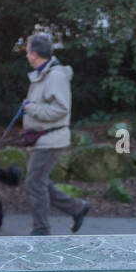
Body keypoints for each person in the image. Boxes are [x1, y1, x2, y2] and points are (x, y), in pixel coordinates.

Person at [21, 33, 90, 236]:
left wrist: (31, 108)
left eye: (27, 52)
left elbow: (61, 109)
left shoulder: (55, 76)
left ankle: (41, 229)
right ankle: (77, 208)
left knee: (34, 182)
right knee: (38, 181)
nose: (26, 56)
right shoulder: (44, 74)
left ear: (34, 54)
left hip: (50, 139)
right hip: (42, 138)